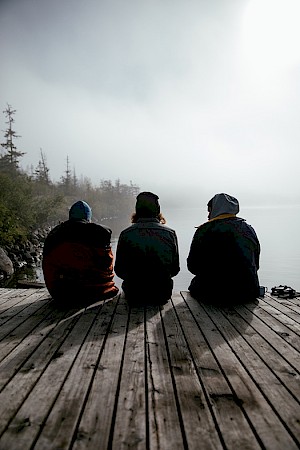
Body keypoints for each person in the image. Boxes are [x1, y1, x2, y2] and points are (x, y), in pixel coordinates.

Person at [187, 193, 260, 303]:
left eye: (209, 211)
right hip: (248, 292)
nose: (208, 216)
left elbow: (193, 266)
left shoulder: (204, 230)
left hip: (212, 294)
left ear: (215, 209)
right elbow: (256, 263)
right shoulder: (249, 229)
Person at [42, 200, 119, 305]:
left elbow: (47, 265)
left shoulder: (54, 235)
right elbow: (108, 266)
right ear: (88, 217)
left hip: (61, 294)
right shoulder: (101, 234)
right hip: (96, 292)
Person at [114, 192, 180, 305]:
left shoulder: (125, 234)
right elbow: (175, 269)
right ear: (158, 211)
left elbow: (119, 270)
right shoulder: (170, 234)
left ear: (137, 210)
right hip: (162, 294)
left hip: (133, 294)